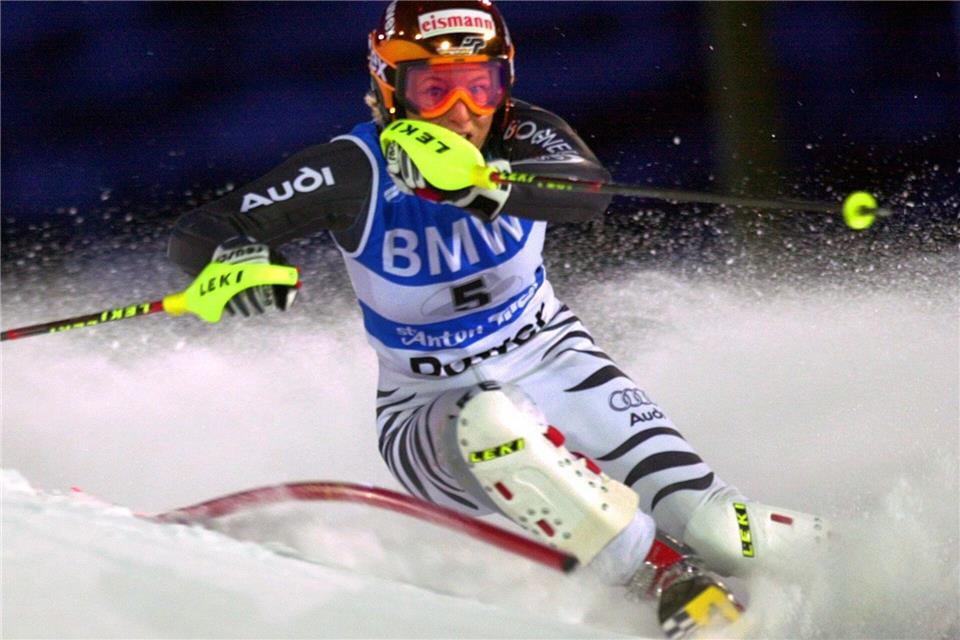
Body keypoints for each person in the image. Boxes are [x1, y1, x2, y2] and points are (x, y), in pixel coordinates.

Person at [168, 1, 829, 635]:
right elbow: (202, 232)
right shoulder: (354, 169)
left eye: (480, 87)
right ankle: (665, 581)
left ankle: (856, 565)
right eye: (435, 91)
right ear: (389, 90)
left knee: (719, 526)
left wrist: (486, 184)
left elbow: (587, 192)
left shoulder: (521, 133)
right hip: (428, 407)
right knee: (494, 426)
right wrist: (236, 263)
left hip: (553, 358)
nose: (462, 114)